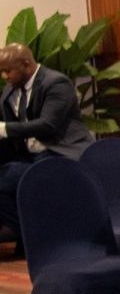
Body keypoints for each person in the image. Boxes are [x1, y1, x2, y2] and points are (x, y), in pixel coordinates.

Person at [0, 43, 95, 242]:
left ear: (26, 64)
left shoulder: (56, 83)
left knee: (27, 179)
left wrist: (4, 129)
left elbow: (48, 125)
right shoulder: (10, 89)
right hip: (30, 157)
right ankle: (35, 237)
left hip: (60, 153)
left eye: (8, 71)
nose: (4, 76)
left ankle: (43, 237)